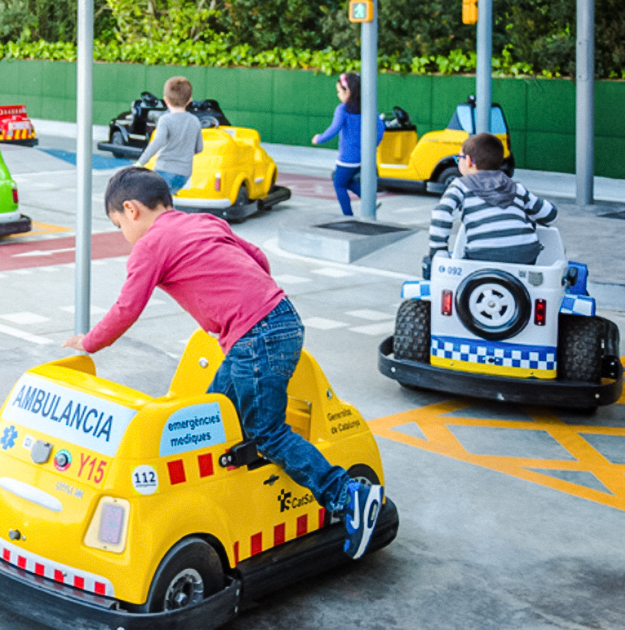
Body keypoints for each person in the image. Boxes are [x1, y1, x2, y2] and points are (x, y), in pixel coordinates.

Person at [64, 167, 384, 560]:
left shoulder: (150, 245)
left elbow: (127, 307)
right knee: (216, 415)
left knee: (266, 431)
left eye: (117, 225)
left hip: (255, 338)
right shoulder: (202, 221)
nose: (123, 234)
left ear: (130, 210)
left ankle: (349, 495)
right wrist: (245, 301)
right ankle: (232, 500)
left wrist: (88, 343)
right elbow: (258, 258)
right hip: (280, 319)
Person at [428, 132, 556, 265]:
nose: (458, 161)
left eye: (459, 158)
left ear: (469, 161)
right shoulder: (516, 187)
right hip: (525, 256)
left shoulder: (461, 185)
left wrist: (438, 251)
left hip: (482, 256)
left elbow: (441, 213)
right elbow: (550, 214)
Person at [312, 72, 385, 216]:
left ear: (348, 92)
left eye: (339, 91)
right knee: (347, 180)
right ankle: (370, 201)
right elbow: (381, 127)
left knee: (338, 183)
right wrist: (373, 145)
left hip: (347, 158)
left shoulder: (343, 109)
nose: (338, 95)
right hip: (362, 157)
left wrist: (319, 139)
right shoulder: (367, 108)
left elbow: (334, 128)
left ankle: (348, 215)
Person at [135, 76, 203, 193]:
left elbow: (157, 142)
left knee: (154, 201)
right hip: (184, 174)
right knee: (167, 200)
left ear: (166, 100)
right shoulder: (195, 120)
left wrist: (140, 162)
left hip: (164, 170)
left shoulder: (165, 120)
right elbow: (199, 148)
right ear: (189, 101)